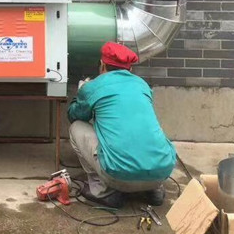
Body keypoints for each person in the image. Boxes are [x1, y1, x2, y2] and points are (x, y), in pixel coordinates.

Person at [67, 42, 176, 209]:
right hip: (162, 172)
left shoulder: (94, 86)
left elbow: (75, 115)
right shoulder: (142, 85)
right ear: (129, 69)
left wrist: (81, 93)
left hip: (118, 177)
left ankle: (103, 191)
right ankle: (153, 189)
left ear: (102, 65)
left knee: (76, 127)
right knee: (147, 129)